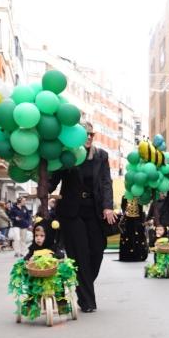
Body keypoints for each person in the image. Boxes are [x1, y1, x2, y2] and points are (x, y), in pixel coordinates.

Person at [48, 121, 115, 313]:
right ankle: (87, 301)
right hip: (72, 212)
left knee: (97, 251)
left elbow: (106, 182)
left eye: (91, 134)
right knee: (80, 255)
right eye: (85, 134)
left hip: (94, 211)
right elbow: (54, 180)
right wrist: (44, 182)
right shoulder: (67, 156)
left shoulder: (101, 155)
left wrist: (108, 206)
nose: (88, 137)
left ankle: (82, 286)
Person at [117, 196, 148, 262]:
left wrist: (142, 221)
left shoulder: (139, 196)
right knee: (128, 236)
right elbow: (123, 206)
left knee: (137, 236)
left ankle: (138, 255)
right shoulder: (125, 197)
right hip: (128, 220)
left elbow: (141, 209)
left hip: (137, 220)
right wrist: (125, 213)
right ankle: (127, 256)